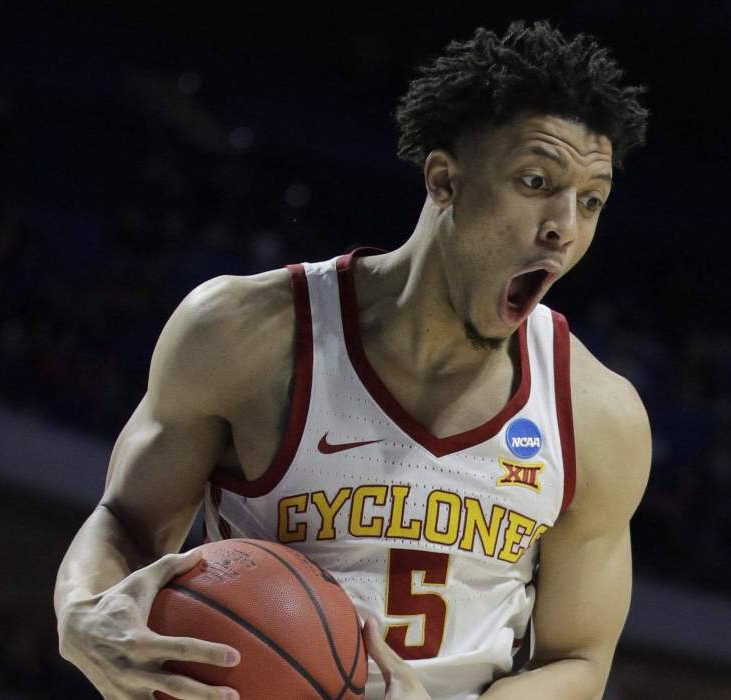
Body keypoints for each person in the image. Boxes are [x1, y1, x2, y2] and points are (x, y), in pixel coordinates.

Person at [55, 19, 651, 700]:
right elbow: (126, 523)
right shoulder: (245, 334)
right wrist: (80, 611)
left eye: (590, 200)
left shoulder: (596, 414)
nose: (564, 227)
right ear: (444, 180)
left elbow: (579, 661)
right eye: (535, 180)